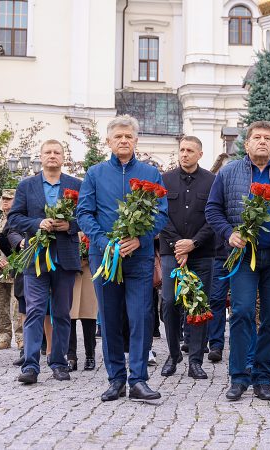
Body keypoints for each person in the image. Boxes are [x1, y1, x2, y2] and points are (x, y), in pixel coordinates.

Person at [205, 120, 270, 401]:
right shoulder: (228, 174)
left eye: (267, 137)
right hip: (242, 259)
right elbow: (213, 210)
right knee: (241, 314)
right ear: (247, 143)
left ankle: (262, 377)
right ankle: (238, 376)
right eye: (257, 137)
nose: (262, 141)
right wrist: (229, 233)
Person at [76, 115, 168, 401]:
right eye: (118, 137)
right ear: (109, 141)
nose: (124, 141)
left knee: (141, 317)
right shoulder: (95, 173)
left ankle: (138, 380)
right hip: (104, 258)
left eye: (128, 136)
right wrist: (104, 243)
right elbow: (84, 212)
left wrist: (141, 238)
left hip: (138, 257)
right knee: (111, 319)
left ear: (136, 140)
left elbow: (161, 213)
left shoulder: (151, 174)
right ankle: (116, 379)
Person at [7, 140, 82, 384]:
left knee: (61, 313)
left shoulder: (76, 185)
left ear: (63, 157)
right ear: (41, 157)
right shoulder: (27, 185)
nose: (52, 156)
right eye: (48, 152)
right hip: (35, 259)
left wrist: (69, 225)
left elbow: (88, 216)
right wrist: (37, 223)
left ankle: (59, 363)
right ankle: (30, 366)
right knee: (34, 311)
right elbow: (15, 218)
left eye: (57, 152)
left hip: (65, 259)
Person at [159, 136, 216, 379]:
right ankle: (173, 355)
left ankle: (195, 360)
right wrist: (178, 245)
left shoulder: (213, 182)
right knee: (170, 302)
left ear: (200, 154)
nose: (185, 154)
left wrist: (193, 243)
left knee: (198, 304)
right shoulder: (164, 180)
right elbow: (159, 215)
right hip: (171, 251)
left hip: (202, 252)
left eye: (190, 150)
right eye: (182, 150)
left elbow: (214, 216)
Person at [0, 189, 22, 351]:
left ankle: (21, 337)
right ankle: (4, 337)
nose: (6, 202)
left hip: (16, 269)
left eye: (9, 199)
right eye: (4, 199)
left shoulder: (20, 221)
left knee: (18, 306)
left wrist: (12, 261)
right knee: (0, 307)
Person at [68, 232, 98, 372]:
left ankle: (90, 355)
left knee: (89, 315)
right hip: (69, 272)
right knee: (68, 317)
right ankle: (71, 356)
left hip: (88, 270)